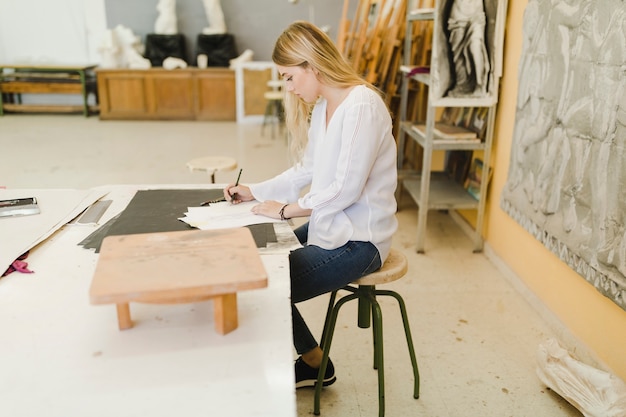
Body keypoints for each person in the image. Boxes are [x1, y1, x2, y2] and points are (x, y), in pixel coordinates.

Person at [223, 21, 398, 388]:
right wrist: (254, 190)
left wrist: (286, 211)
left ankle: (314, 363)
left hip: (361, 240)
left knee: (264, 282)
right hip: (332, 225)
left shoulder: (362, 105)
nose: (288, 87)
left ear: (311, 66)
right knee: (256, 266)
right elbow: (308, 170)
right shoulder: (324, 108)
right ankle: (314, 361)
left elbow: (345, 189)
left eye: (289, 77)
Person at [446, 0, 490, 97]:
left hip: (476, 12)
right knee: (457, 52)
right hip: (458, 13)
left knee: (476, 46)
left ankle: (480, 85)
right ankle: (462, 84)